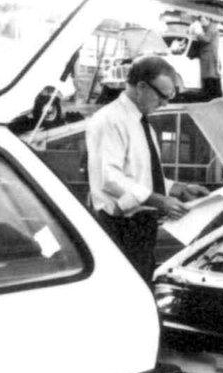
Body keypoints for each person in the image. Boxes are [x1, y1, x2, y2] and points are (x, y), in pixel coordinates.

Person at [86, 56, 208, 283]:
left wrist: (178, 188)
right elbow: (110, 178)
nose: (165, 104)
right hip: (119, 228)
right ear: (141, 87)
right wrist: (159, 201)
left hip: (141, 227)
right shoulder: (109, 120)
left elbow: (140, 176)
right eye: (162, 96)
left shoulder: (141, 123)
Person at [192, 15, 222, 100]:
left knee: (210, 77)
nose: (201, 23)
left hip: (209, 57)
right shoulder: (208, 28)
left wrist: (198, 34)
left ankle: (211, 96)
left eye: (202, 20)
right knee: (209, 77)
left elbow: (206, 39)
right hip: (208, 57)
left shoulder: (212, 27)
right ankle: (210, 96)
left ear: (208, 19)